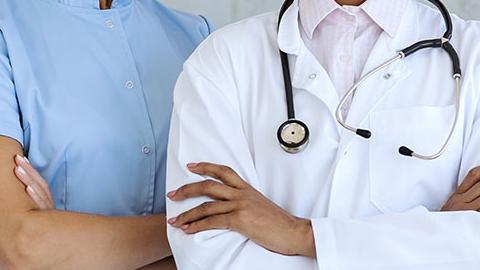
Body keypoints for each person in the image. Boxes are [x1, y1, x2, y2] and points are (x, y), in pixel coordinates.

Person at [166, 0, 480, 269]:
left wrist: (300, 235)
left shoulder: (474, 54)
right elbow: (212, 257)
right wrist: (433, 242)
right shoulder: (222, 61)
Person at [0, 0, 211, 269]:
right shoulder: (8, 32)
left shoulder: (197, 37)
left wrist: (66, 244)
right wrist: (198, 228)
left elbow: (237, 240)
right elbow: (22, 245)